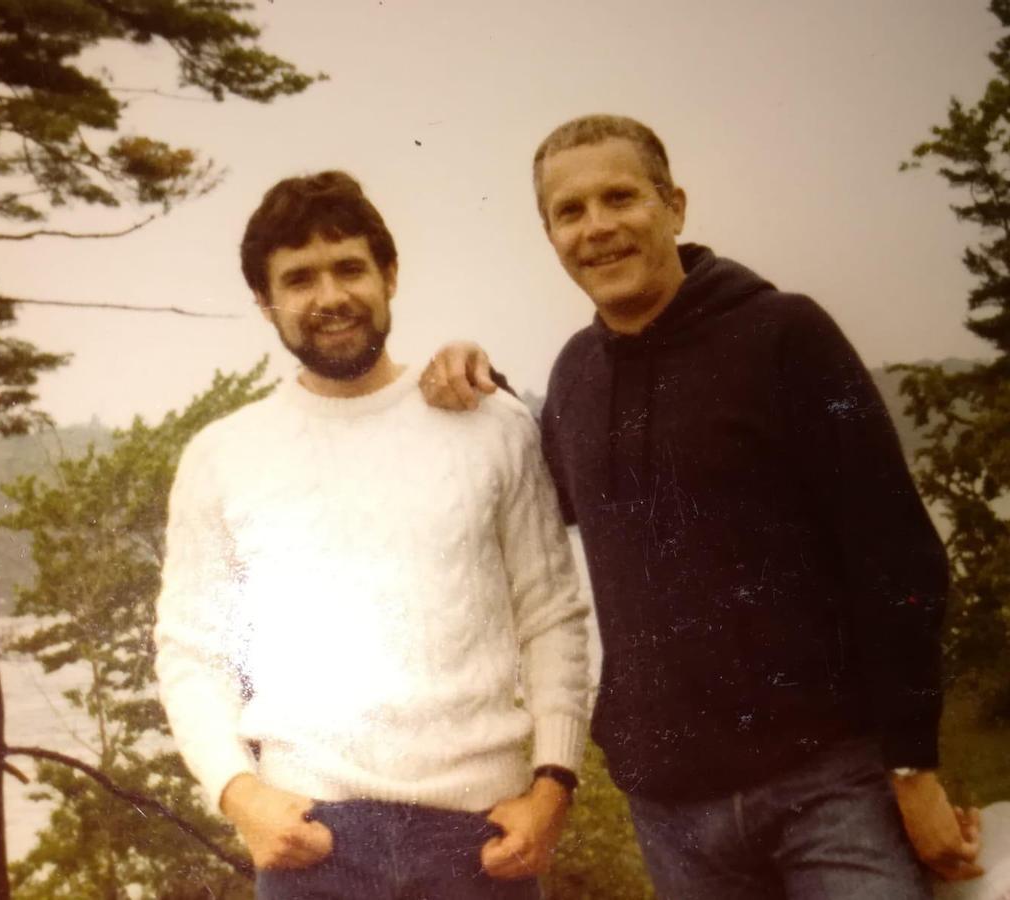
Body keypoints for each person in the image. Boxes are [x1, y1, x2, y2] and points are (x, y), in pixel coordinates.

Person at [421, 114, 983, 899]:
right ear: (549, 233)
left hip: (826, 788)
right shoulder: (577, 376)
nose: (598, 227)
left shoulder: (785, 335)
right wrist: (481, 387)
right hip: (672, 812)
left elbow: (900, 560)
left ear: (674, 206)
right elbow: (547, 499)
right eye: (570, 211)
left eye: (620, 197)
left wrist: (912, 766)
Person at [153, 170, 591, 899]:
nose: (330, 297)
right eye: (298, 279)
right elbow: (192, 652)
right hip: (311, 845)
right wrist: (239, 794)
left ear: (390, 274)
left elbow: (553, 617)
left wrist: (553, 785)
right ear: (266, 303)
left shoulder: (490, 425)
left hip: (481, 839)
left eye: (349, 267)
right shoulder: (222, 456)